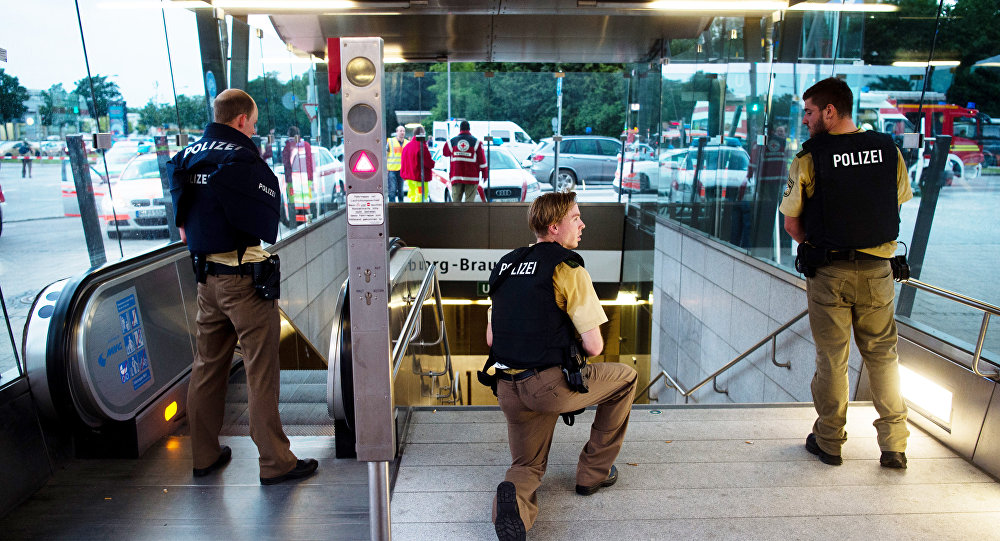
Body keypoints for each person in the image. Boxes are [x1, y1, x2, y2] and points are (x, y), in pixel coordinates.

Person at [166, 88, 319, 485]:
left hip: (206, 282)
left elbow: (185, 224)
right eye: (251, 122)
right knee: (261, 371)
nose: (253, 129)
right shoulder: (240, 157)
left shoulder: (186, 157)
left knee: (206, 368)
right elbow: (261, 226)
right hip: (244, 282)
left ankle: (204, 455)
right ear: (239, 120)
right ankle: (274, 461)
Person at [485, 192, 638, 540]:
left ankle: (513, 511)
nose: (582, 225)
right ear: (554, 227)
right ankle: (593, 473)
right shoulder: (566, 267)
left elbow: (493, 340)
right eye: (576, 218)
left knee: (527, 465)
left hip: (508, 388)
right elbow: (595, 346)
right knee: (626, 378)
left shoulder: (505, 266)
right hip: (551, 386)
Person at [779, 77, 911, 470]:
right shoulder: (889, 150)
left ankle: (830, 441)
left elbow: (791, 224)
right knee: (883, 356)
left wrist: (819, 244)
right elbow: (899, 198)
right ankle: (894, 445)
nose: (805, 120)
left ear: (830, 111)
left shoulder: (809, 157)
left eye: (809, 112)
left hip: (830, 272)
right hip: (878, 272)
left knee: (833, 359)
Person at [443, 120, 487, 202]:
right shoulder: (477, 142)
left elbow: (445, 153)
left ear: (460, 129)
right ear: (469, 129)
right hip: (471, 177)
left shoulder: (452, 142)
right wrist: (485, 173)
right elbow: (482, 161)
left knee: (456, 202)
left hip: (456, 176)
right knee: (469, 202)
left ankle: (458, 215)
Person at [282, 126, 313, 222]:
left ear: (289, 135)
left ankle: (295, 224)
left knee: (293, 204)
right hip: (306, 180)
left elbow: (286, 164)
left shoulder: (288, 147)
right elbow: (310, 163)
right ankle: (309, 222)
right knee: (306, 204)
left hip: (292, 181)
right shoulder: (306, 145)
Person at [400, 125, 434, 203]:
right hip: (419, 178)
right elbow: (428, 163)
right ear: (422, 134)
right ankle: (419, 213)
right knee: (421, 196)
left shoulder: (407, 146)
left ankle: (412, 212)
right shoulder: (421, 146)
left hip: (410, 178)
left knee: (412, 196)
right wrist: (433, 163)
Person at [386, 125, 408, 203]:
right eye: (400, 131)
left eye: (403, 131)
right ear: (396, 132)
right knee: (392, 189)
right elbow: (385, 154)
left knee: (401, 190)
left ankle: (401, 206)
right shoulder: (390, 142)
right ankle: (392, 206)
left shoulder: (407, 143)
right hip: (392, 170)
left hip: (402, 170)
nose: (402, 132)